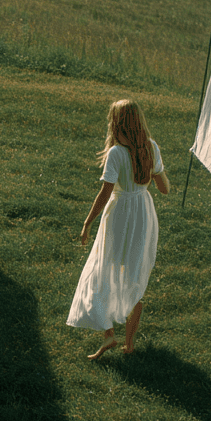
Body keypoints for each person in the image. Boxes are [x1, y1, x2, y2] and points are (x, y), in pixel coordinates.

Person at [67, 99, 169, 360]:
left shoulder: (116, 154)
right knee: (132, 273)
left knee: (104, 270)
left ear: (116, 125)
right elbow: (164, 188)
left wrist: (87, 222)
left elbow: (105, 192)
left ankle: (109, 335)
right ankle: (130, 344)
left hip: (119, 213)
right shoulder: (152, 148)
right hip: (144, 214)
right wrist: (157, 171)